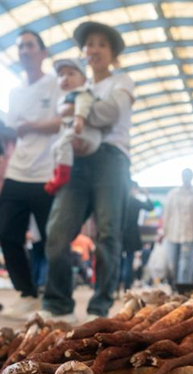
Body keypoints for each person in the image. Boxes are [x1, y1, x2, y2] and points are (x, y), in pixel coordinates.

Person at [42, 21, 135, 321]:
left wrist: (76, 110)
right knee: (57, 232)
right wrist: (75, 110)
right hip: (78, 162)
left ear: (112, 53)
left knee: (108, 234)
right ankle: (58, 305)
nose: (94, 49)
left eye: (101, 44)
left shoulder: (122, 82)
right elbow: (68, 120)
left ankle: (99, 308)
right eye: (89, 44)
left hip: (111, 159)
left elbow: (111, 113)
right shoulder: (81, 86)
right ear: (83, 51)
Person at [0, 30, 62, 318]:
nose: (24, 50)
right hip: (18, 170)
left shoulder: (56, 85)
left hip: (47, 172)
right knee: (7, 233)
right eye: (20, 46)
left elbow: (63, 121)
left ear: (42, 52)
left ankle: (57, 297)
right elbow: (14, 129)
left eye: (30, 45)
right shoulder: (15, 91)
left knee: (52, 239)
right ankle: (26, 293)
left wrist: (34, 124)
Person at [44, 57, 102, 195]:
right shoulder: (65, 98)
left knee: (62, 144)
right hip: (76, 134)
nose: (65, 78)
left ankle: (62, 176)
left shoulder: (82, 93)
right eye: (61, 75)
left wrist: (79, 119)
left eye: (71, 74)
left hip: (86, 134)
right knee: (55, 148)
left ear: (83, 79)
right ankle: (56, 174)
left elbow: (83, 105)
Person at [163, 168, 193, 284]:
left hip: (189, 235)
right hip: (172, 234)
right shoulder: (173, 194)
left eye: (188, 176)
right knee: (173, 264)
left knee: (185, 266)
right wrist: (163, 231)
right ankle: (174, 291)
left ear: (192, 177)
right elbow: (167, 213)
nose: (186, 178)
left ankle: (183, 291)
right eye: (184, 175)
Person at [121, 182, 154, 291]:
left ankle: (116, 288)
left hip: (120, 234)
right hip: (132, 235)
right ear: (134, 189)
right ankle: (126, 287)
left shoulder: (122, 201)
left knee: (119, 261)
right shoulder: (135, 201)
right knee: (129, 261)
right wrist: (146, 195)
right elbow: (150, 207)